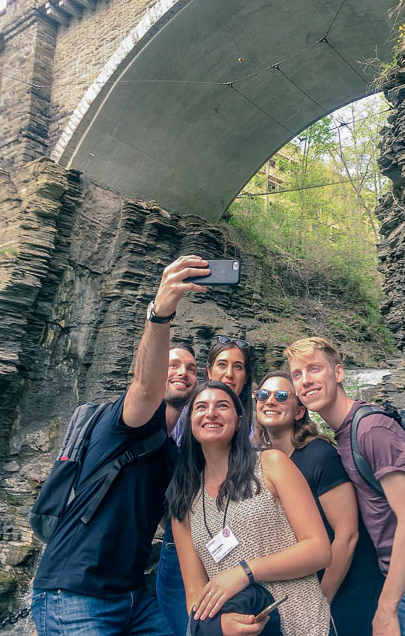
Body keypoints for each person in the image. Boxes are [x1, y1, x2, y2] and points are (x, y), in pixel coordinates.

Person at [31, 255, 210, 635]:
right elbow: (147, 386)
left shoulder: (175, 454)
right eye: (173, 364)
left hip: (134, 597)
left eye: (192, 369)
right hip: (75, 593)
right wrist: (160, 313)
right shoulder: (126, 421)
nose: (183, 372)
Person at [284, 337, 405, 636]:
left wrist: (386, 608)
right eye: (297, 374)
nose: (305, 381)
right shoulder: (344, 432)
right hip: (404, 582)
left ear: (338, 373)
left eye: (314, 368)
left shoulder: (371, 430)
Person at [169, 381, 332, 635]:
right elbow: (195, 594)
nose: (211, 412)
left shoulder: (271, 464)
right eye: (201, 407)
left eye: (222, 406)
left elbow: (319, 549)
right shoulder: (184, 501)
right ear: (190, 422)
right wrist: (218, 627)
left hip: (305, 624)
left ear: (238, 421)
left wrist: (245, 572)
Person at [254, 370, 383, 635]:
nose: (270, 401)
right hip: (306, 584)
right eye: (263, 395)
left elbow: (347, 535)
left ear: (299, 412)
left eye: (281, 396)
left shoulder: (319, 456)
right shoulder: (264, 460)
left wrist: (322, 600)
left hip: (346, 587)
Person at [158, 336, 254, 635]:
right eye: (222, 365)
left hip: (240, 542)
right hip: (185, 535)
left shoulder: (256, 419)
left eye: (238, 367)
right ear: (209, 372)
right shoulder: (192, 413)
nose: (230, 373)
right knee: (193, 625)